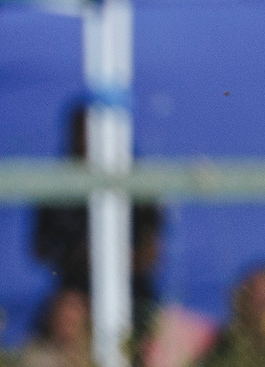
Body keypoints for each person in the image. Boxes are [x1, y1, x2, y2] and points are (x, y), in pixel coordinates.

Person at [30, 102, 165, 327]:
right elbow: (41, 250)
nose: (90, 140)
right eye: (83, 132)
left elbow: (151, 251)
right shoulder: (56, 187)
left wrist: (115, 261)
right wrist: (81, 258)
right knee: (66, 317)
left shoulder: (138, 183)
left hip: (135, 294)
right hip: (76, 293)